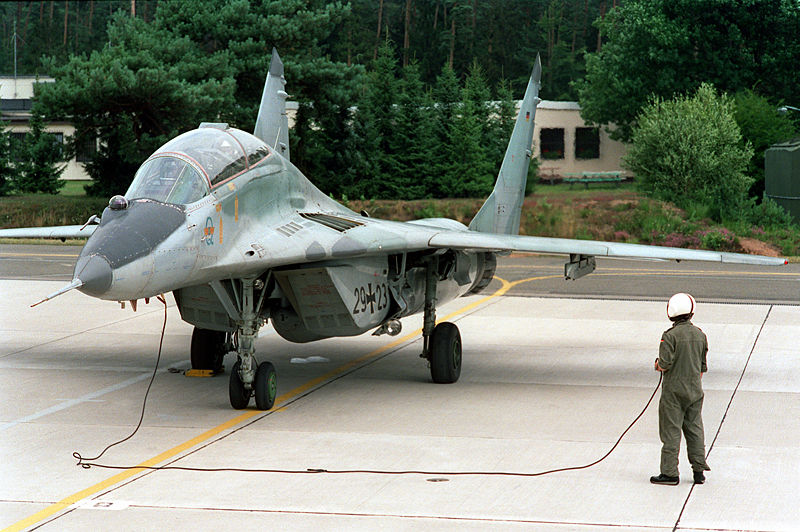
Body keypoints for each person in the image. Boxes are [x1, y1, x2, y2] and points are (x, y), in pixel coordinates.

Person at [650, 293, 711, 486]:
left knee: (671, 432)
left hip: (673, 392)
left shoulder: (669, 336)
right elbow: (702, 367)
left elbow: (665, 364)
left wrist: (657, 364)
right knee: (695, 430)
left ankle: (669, 473)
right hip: (695, 390)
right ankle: (699, 471)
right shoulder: (700, 335)